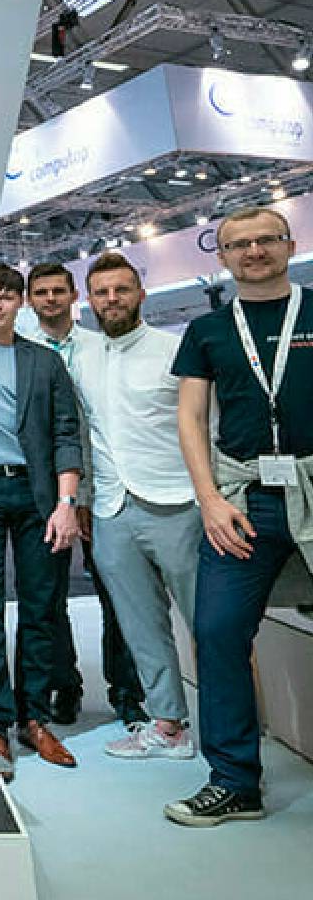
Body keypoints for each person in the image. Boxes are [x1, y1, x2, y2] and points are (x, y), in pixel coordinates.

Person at [165, 206, 313, 827]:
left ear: (289, 243)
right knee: (219, 633)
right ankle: (233, 781)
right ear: (221, 257)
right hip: (243, 501)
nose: (254, 251)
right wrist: (210, 499)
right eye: (238, 244)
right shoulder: (206, 331)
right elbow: (191, 420)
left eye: (265, 240)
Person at [0, 263, 83, 775]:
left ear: (19, 302)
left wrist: (66, 502)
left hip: (37, 491)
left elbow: (66, 433)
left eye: (6, 296)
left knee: (40, 606)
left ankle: (34, 717)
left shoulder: (43, 362)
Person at [68, 252, 199, 761]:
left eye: (121, 290)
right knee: (141, 626)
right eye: (102, 292)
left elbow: (204, 429)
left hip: (178, 504)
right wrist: (82, 499)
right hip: (110, 510)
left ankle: (237, 726)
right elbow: (83, 434)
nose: (112, 300)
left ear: (140, 293)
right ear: (90, 300)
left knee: (209, 623)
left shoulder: (176, 350)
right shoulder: (83, 356)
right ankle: (168, 726)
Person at [23, 261, 145, 729]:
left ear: (74, 295)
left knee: (118, 596)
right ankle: (65, 684)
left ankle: (128, 694)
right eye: (42, 292)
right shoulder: (23, 351)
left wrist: (90, 495)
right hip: (45, 493)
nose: (50, 299)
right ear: (30, 300)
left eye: (58, 291)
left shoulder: (101, 347)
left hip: (107, 488)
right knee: (48, 597)